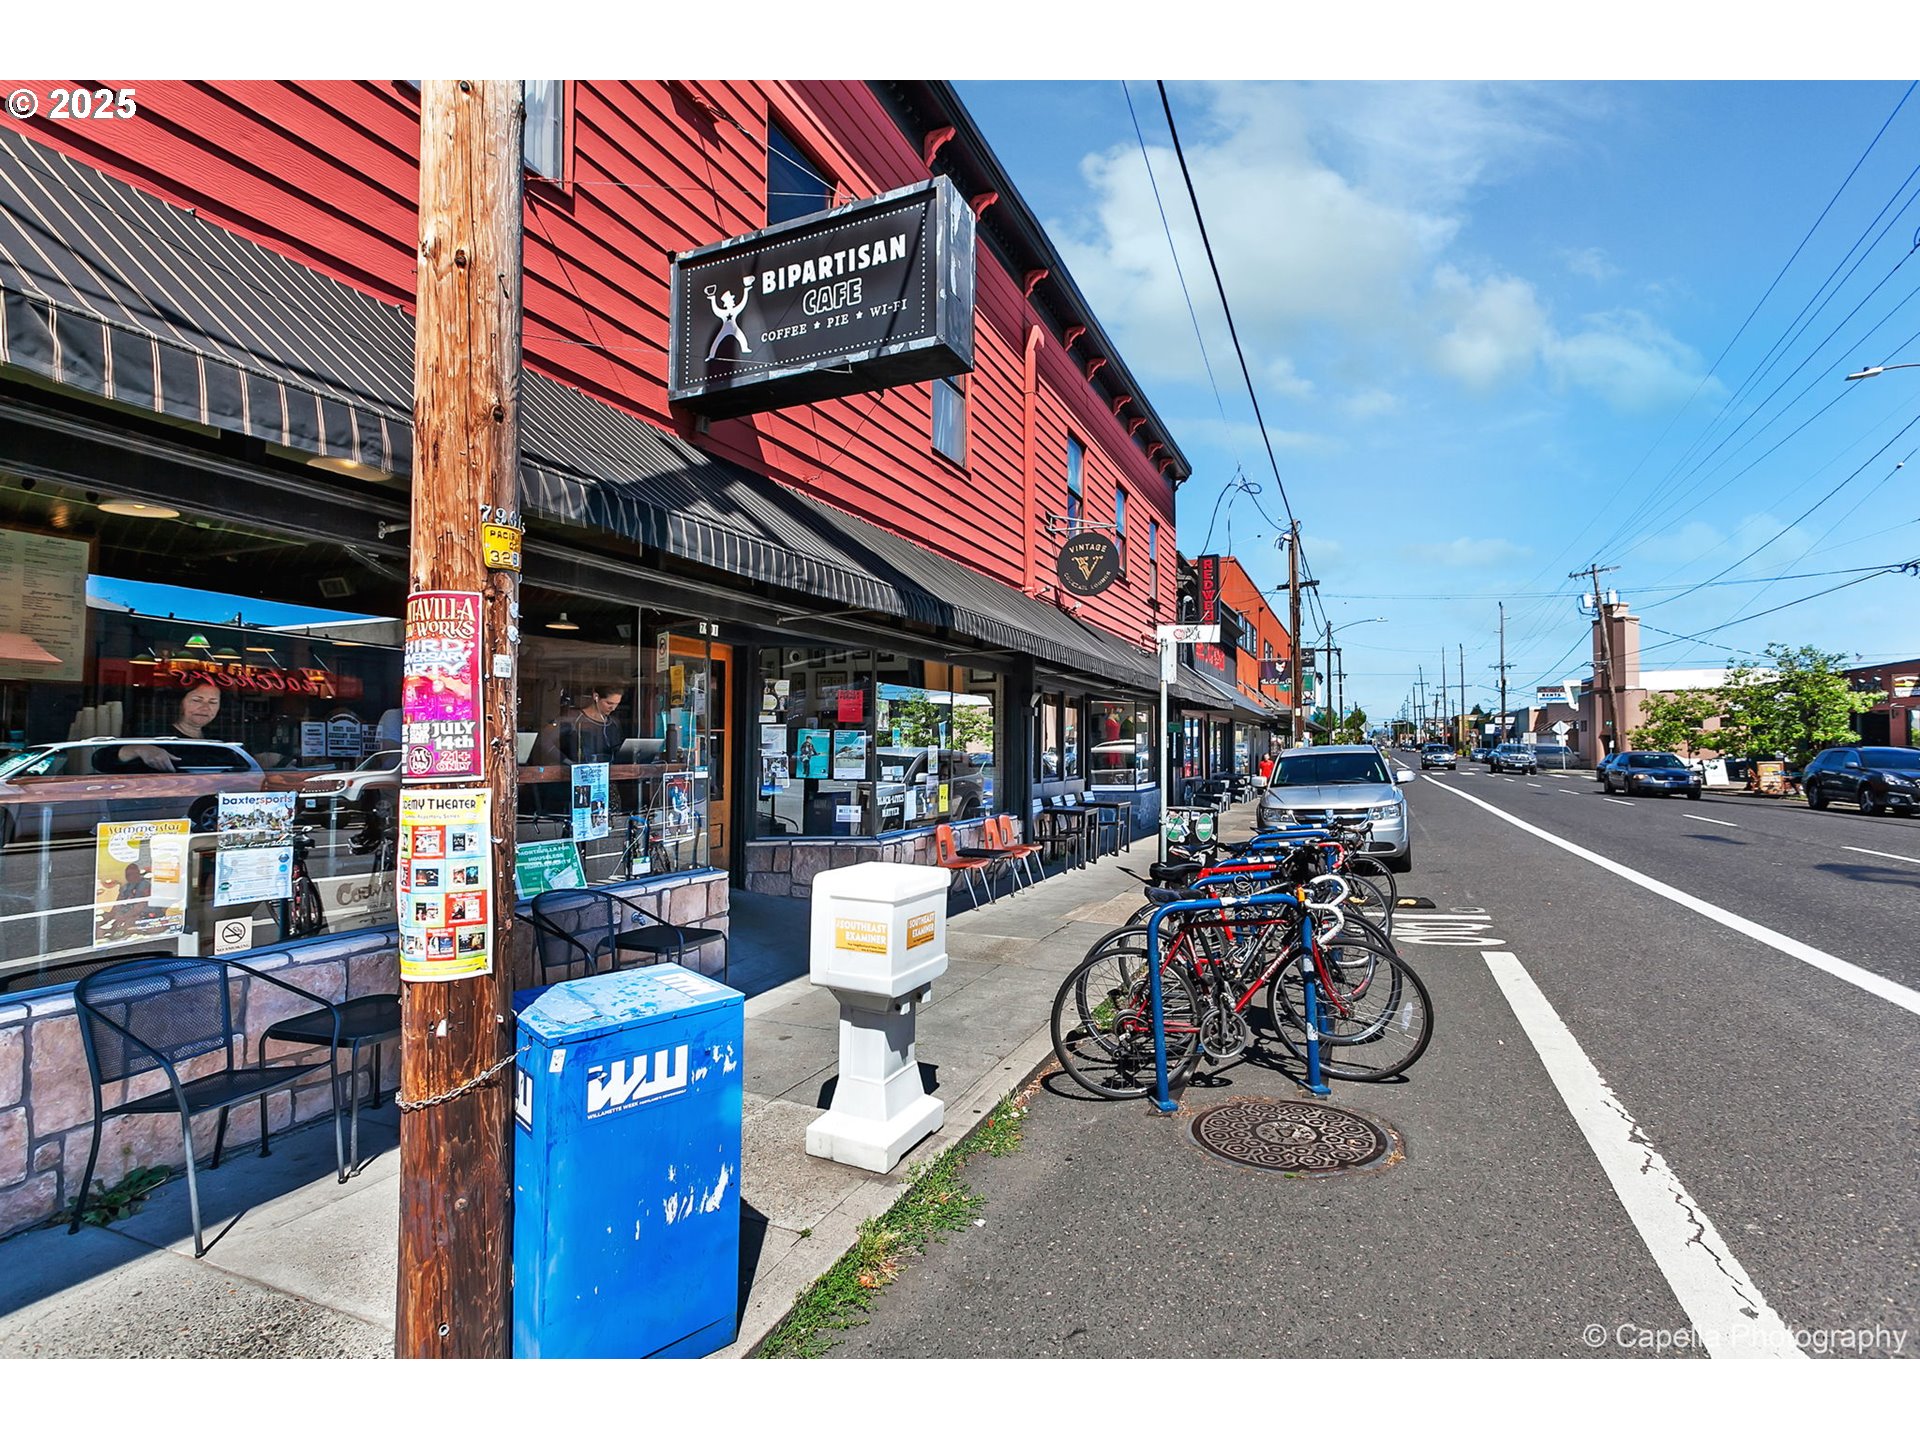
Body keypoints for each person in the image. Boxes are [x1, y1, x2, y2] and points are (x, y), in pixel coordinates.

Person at [98, 682, 225, 772]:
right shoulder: (152, 732)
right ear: (179, 703)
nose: (205, 707)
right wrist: (139, 749)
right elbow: (101, 760)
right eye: (197, 700)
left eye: (213, 702)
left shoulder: (219, 739)